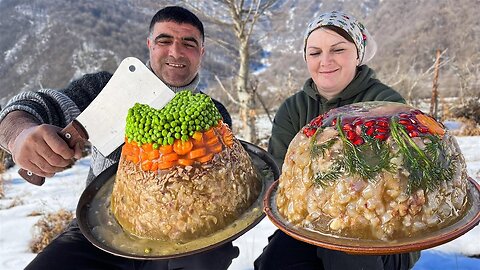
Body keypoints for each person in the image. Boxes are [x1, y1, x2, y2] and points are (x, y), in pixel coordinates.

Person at [0, 6, 238, 270]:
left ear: (202, 52)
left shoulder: (212, 114)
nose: (175, 51)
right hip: (99, 228)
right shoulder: (107, 89)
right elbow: (36, 106)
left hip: (184, 237)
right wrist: (19, 134)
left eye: (189, 43)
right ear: (149, 45)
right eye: (164, 40)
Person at [254, 11, 420, 270]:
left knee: (345, 257)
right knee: (273, 262)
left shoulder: (386, 104)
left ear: (358, 53)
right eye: (315, 52)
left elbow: (401, 177)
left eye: (338, 49)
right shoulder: (294, 109)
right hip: (308, 224)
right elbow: (281, 176)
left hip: (386, 231)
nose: (325, 61)